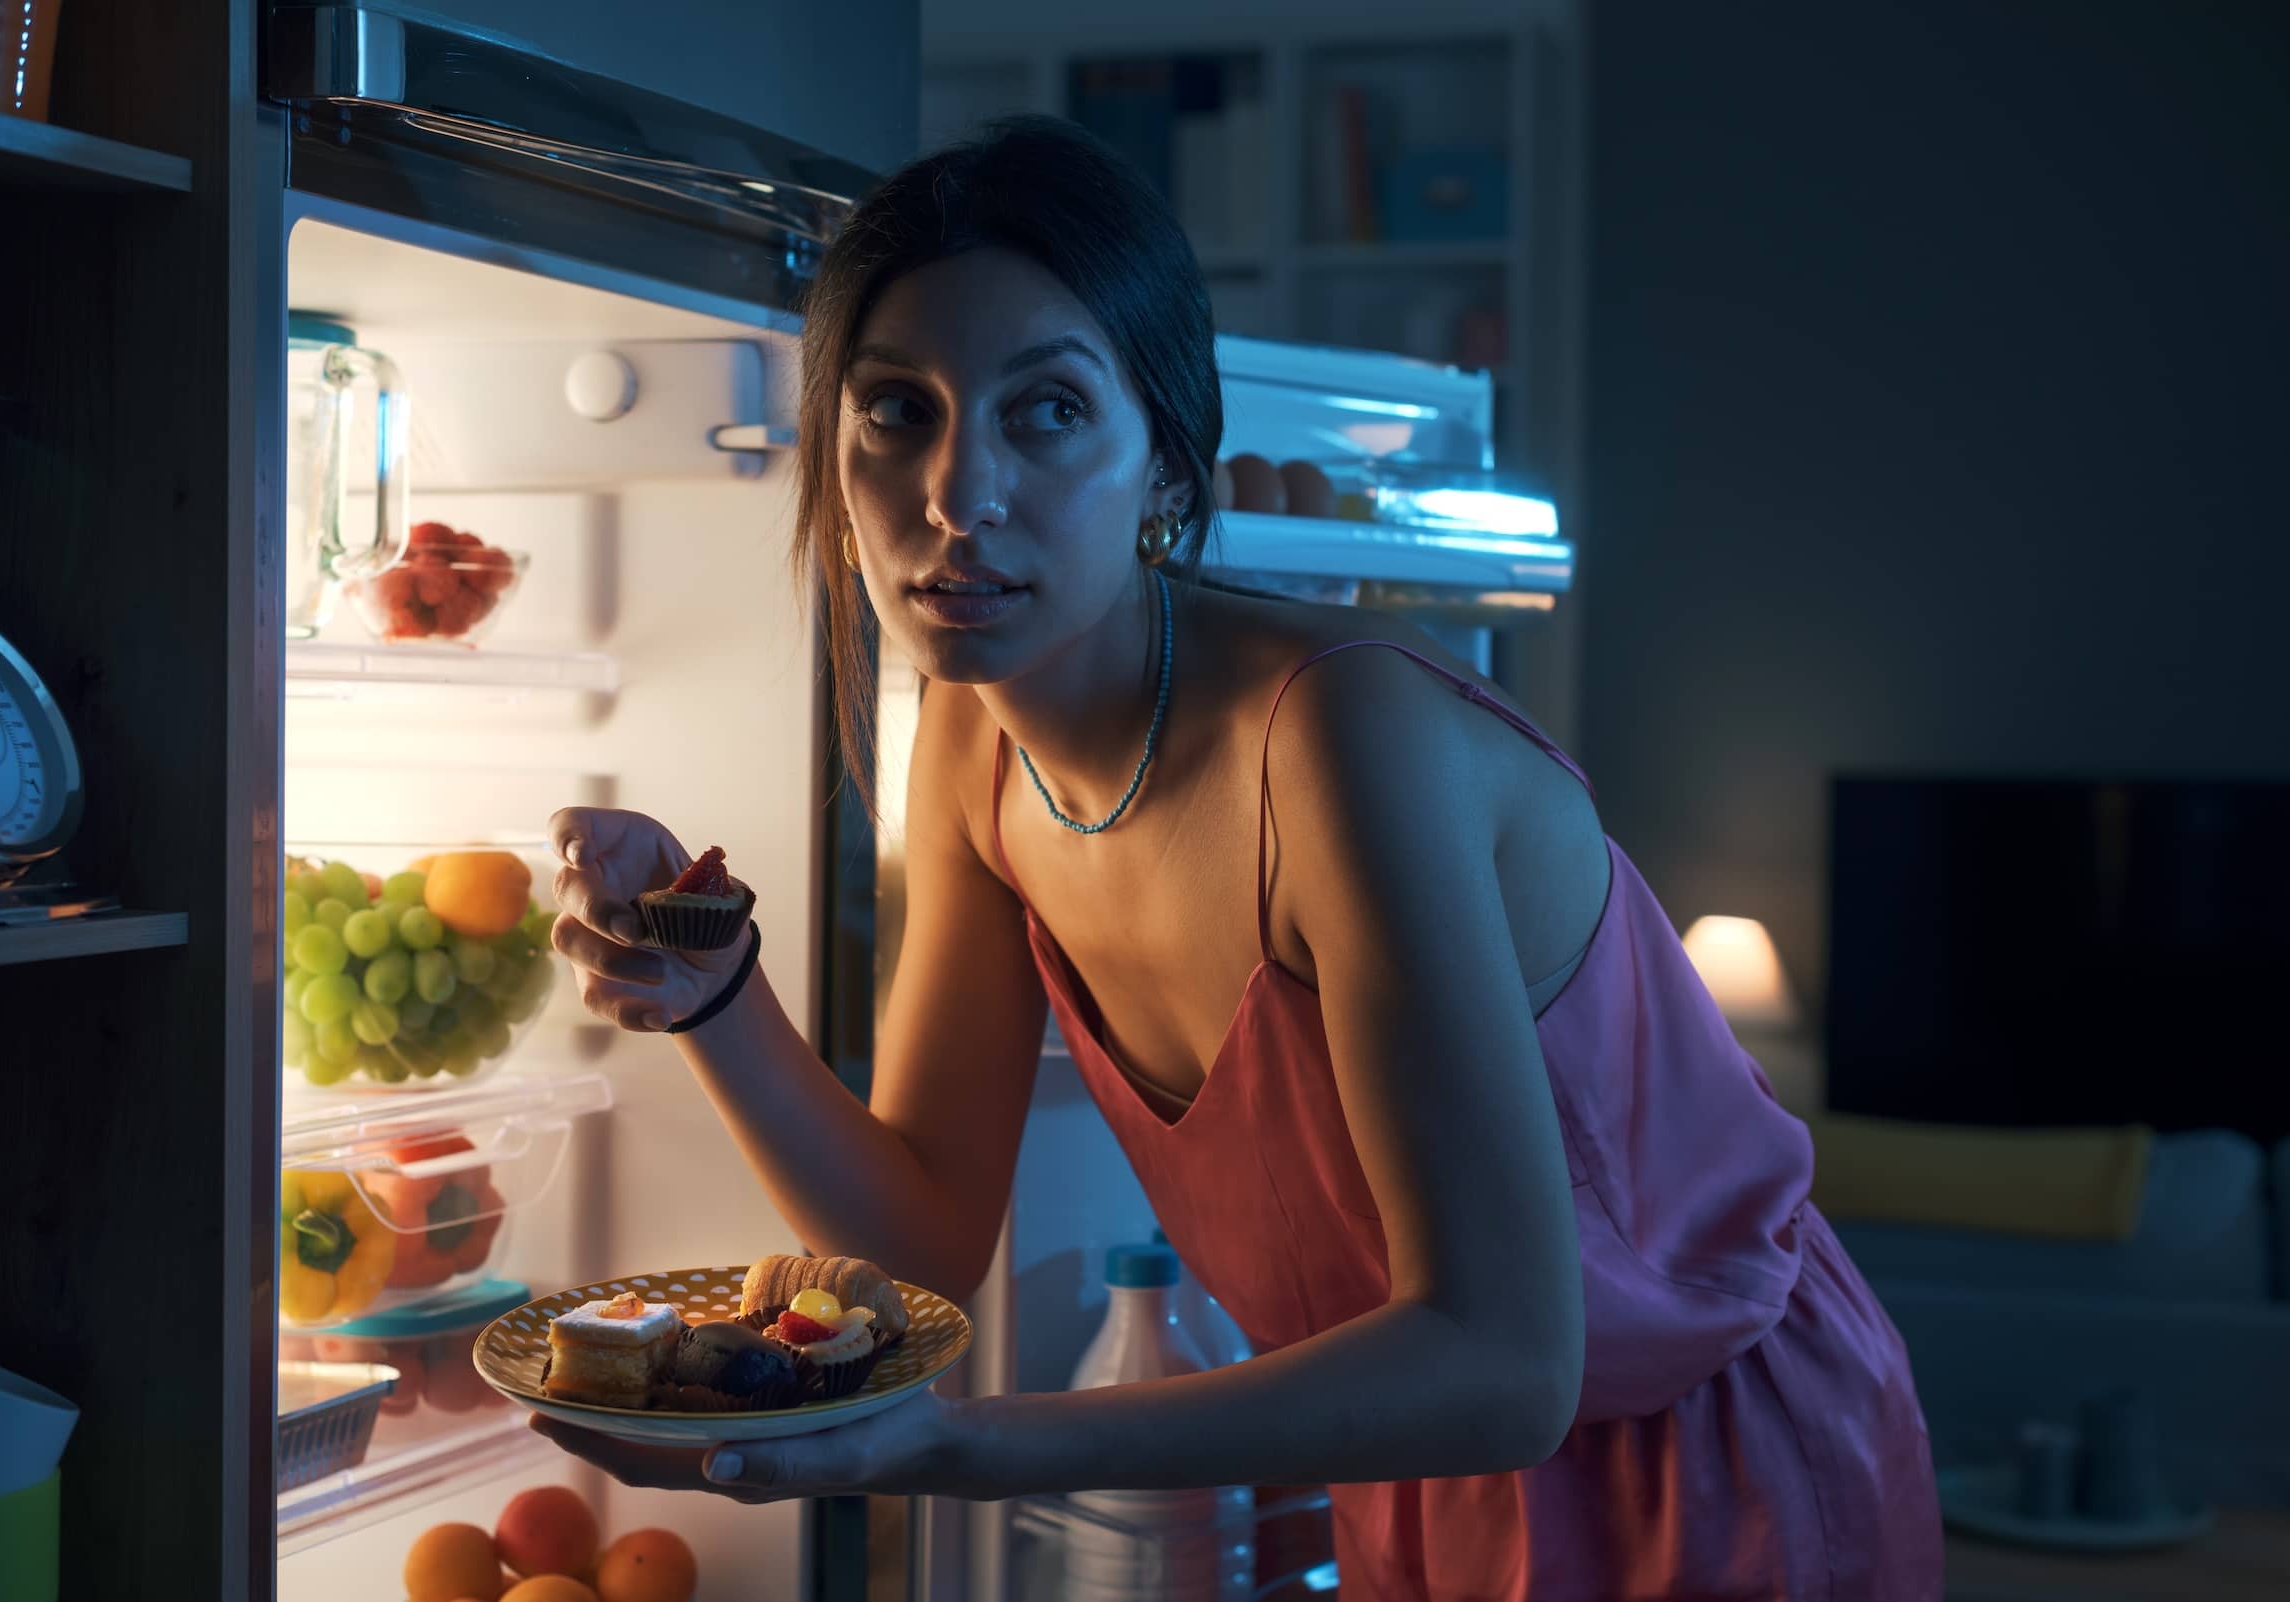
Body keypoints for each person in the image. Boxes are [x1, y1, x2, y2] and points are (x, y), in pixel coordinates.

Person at [537, 114, 1942, 1601]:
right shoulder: (968, 746)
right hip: (1420, 1459)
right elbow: (924, 1239)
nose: (959, 495)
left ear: (1163, 461)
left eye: (1049, 411)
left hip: (1707, 1462)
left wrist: (954, 1445)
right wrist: (712, 993)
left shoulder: (1340, 742)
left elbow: (1512, 1361)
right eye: (897, 412)